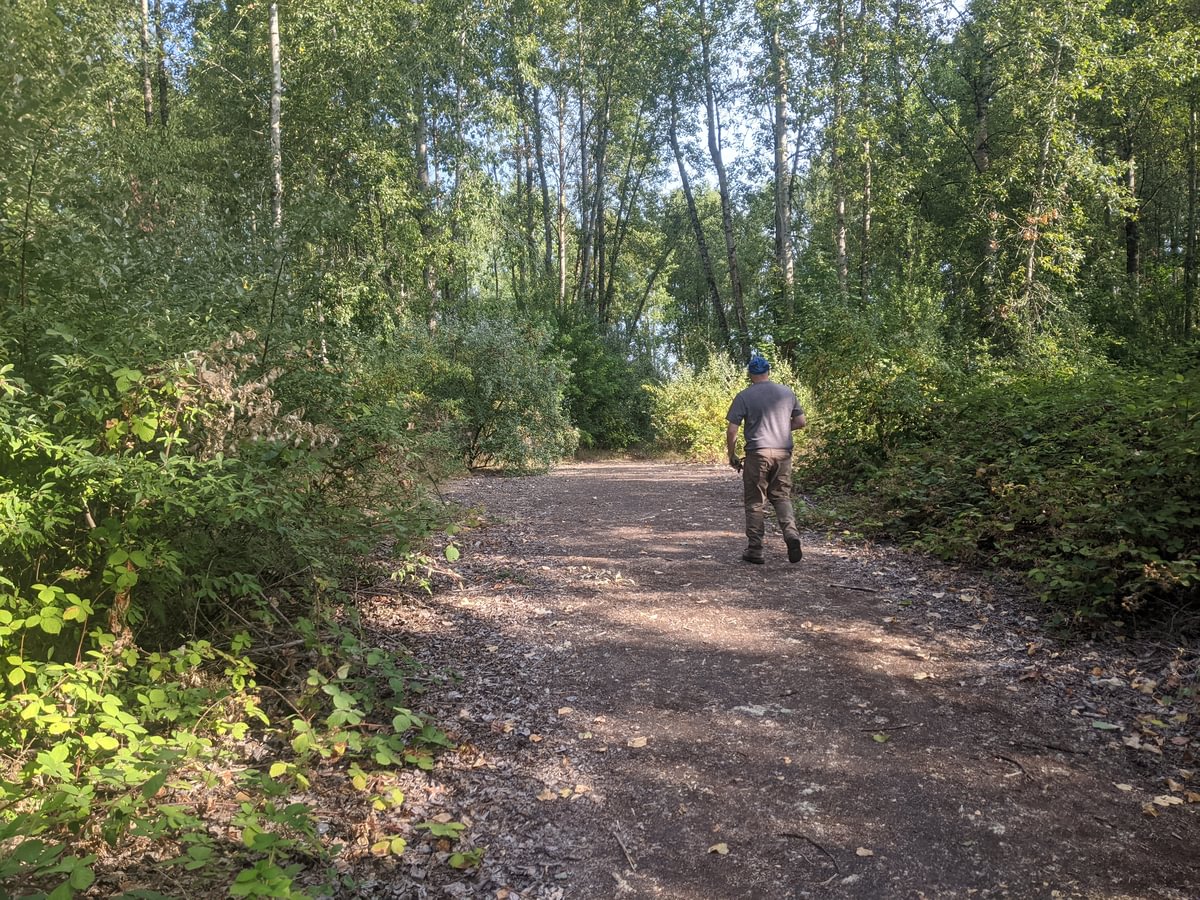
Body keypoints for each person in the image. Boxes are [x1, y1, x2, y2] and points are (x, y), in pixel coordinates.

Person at [725, 353, 806, 564]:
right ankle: (791, 535)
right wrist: (781, 428)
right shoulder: (787, 393)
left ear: (750, 374)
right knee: (781, 497)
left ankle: (755, 549)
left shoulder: (744, 396)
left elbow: (732, 430)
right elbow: (800, 421)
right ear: (768, 372)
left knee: (755, 501)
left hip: (757, 454)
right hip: (783, 453)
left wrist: (731, 454)